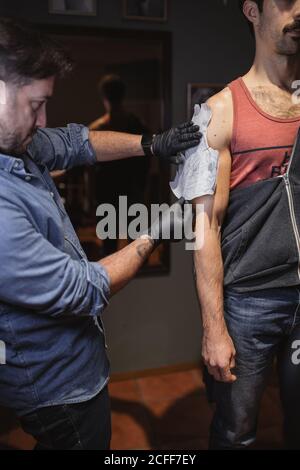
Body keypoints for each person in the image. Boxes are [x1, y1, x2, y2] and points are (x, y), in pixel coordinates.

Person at [0, 18, 201, 450]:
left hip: (74, 366)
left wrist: (152, 142)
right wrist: (154, 232)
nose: (44, 119)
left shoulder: (17, 142)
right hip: (58, 391)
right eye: (36, 104)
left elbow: (76, 143)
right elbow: (83, 288)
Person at [193, 0, 300, 449]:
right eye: (285, 1)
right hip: (250, 303)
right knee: (236, 431)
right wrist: (214, 327)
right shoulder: (221, 110)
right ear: (252, 11)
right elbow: (205, 228)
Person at [89, 74, 151, 255]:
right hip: (128, 192)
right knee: (136, 249)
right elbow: (146, 163)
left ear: (104, 97)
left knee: (112, 248)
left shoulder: (97, 130)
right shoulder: (137, 124)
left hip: (111, 193)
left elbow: (91, 171)